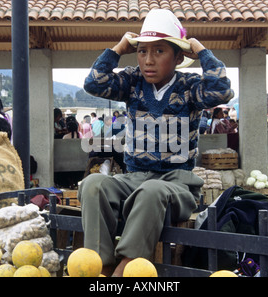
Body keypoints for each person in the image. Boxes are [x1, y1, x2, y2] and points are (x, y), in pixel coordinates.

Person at [79, 9, 233, 276]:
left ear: (178, 56)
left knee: (152, 190)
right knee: (93, 184)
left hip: (177, 183)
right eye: (142, 51)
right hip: (133, 179)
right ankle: (101, 266)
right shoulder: (132, 82)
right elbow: (94, 83)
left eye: (159, 51)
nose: (148, 60)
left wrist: (202, 51)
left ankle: (127, 267)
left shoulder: (189, 87)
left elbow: (221, 90)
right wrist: (118, 49)